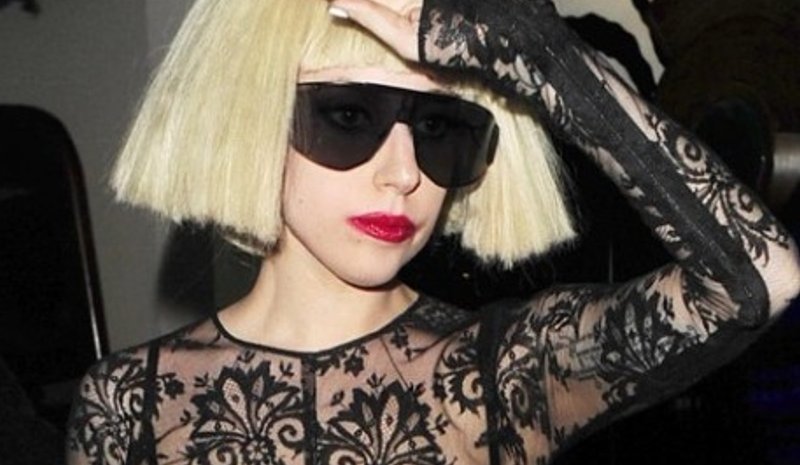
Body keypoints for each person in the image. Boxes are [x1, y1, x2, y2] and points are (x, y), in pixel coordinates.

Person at [65, 0, 800, 464]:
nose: (403, 173)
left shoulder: (502, 373)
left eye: (442, 128)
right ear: (250, 119)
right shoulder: (130, 401)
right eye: (349, 115)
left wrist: (546, 61)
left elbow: (759, 279)